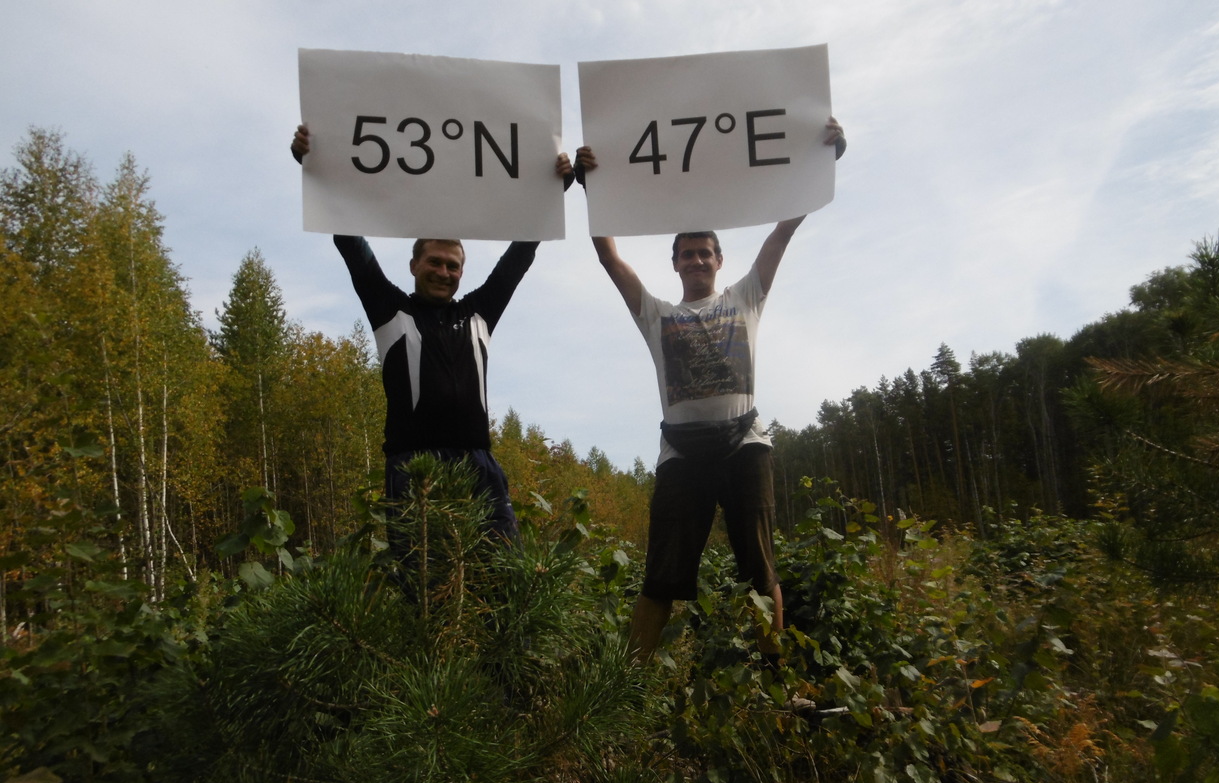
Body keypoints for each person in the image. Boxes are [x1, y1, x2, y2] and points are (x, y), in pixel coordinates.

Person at [574, 118, 844, 664]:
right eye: (686, 254)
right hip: (681, 453)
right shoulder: (656, 313)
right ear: (673, 263)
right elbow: (609, 257)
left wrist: (822, 162)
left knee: (761, 570)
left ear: (719, 261)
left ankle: (775, 682)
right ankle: (626, 686)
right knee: (659, 577)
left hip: (746, 445)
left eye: (705, 253)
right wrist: (590, 187)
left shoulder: (746, 298)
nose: (696, 260)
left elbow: (781, 233)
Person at [291, 124, 573, 548]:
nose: (444, 272)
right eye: (435, 262)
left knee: (501, 582)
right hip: (413, 468)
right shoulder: (390, 310)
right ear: (414, 266)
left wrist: (557, 190)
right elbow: (350, 241)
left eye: (453, 265)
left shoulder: (480, 311)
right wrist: (314, 166)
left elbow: (521, 252)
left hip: (479, 465)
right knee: (421, 587)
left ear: (462, 271)